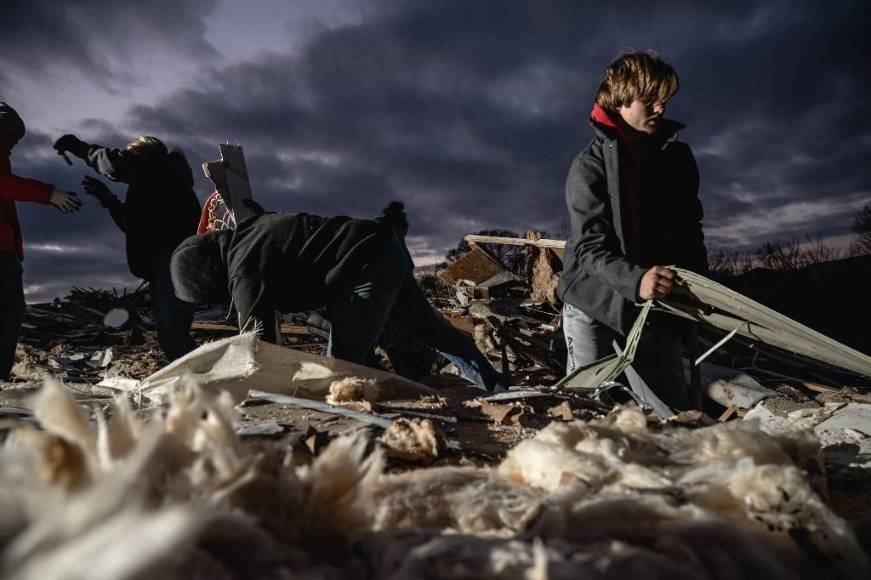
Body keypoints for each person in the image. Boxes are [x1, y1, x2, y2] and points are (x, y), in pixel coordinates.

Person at [170, 207, 507, 391]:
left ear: (207, 276)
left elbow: (259, 347)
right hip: (383, 248)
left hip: (365, 263)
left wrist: (251, 390)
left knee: (341, 364)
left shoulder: (243, 270)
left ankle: (348, 434)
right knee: (429, 329)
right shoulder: (250, 233)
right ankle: (497, 386)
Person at [556, 51, 707, 411]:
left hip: (652, 306)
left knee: (673, 413)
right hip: (593, 301)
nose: (660, 109)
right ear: (621, 100)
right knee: (585, 409)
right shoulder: (588, 167)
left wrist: (698, 288)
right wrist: (635, 279)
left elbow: (690, 231)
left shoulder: (676, 159)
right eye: (650, 100)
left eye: (664, 101)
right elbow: (590, 248)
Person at [52, 133, 201, 360]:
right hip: (169, 264)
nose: (128, 157)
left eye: (132, 154)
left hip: (173, 262)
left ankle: (206, 384)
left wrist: (77, 146)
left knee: (173, 334)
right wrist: (107, 198)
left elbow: (114, 164)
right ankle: (200, 383)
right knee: (172, 334)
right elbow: (134, 226)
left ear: (144, 154)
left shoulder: (159, 168)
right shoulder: (155, 182)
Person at [0, 102, 81, 380]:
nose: (12, 144)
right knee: (9, 312)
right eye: (10, 135)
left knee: (11, 312)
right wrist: (49, 194)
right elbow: (4, 182)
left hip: (7, 250)